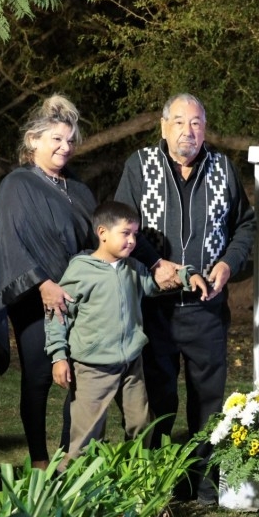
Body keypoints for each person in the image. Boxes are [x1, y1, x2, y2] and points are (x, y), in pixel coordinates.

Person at [114, 93, 256, 504]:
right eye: (179, 122)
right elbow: (121, 225)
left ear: (204, 129)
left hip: (206, 309)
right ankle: (157, 485)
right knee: (157, 400)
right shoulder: (140, 166)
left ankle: (205, 486)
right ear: (163, 127)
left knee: (207, 403)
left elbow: (245, 226)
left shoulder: (223, 168)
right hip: (153, 308)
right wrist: (154, 262)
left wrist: (228, 263)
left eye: (195, 123)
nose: (187, 131)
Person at [0, 94, 97, 470]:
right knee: (40, 377)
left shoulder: (78, 188)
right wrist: (43, 283)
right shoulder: (17, 184)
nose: (65, 147)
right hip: (33, 295)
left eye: (70, 140)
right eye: (56, 139)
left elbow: (95, 240)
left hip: (77, 296)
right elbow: (8, 241)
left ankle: (71, 456)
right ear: (34, 140)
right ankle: (40, 461)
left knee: (82, 375)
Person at [45, 201, 207, 471]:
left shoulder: (133, 267)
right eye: (125, 233)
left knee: (142, 425)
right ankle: (70, 488)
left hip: (131, 364)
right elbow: (58, 314)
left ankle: (134, 481)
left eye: (135, 234)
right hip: (93, 368)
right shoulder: (80, 271)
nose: (132, 240)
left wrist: (187, 276)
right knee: (86, 437)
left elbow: (158, 282)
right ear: (102, 232)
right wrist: (58, 357)